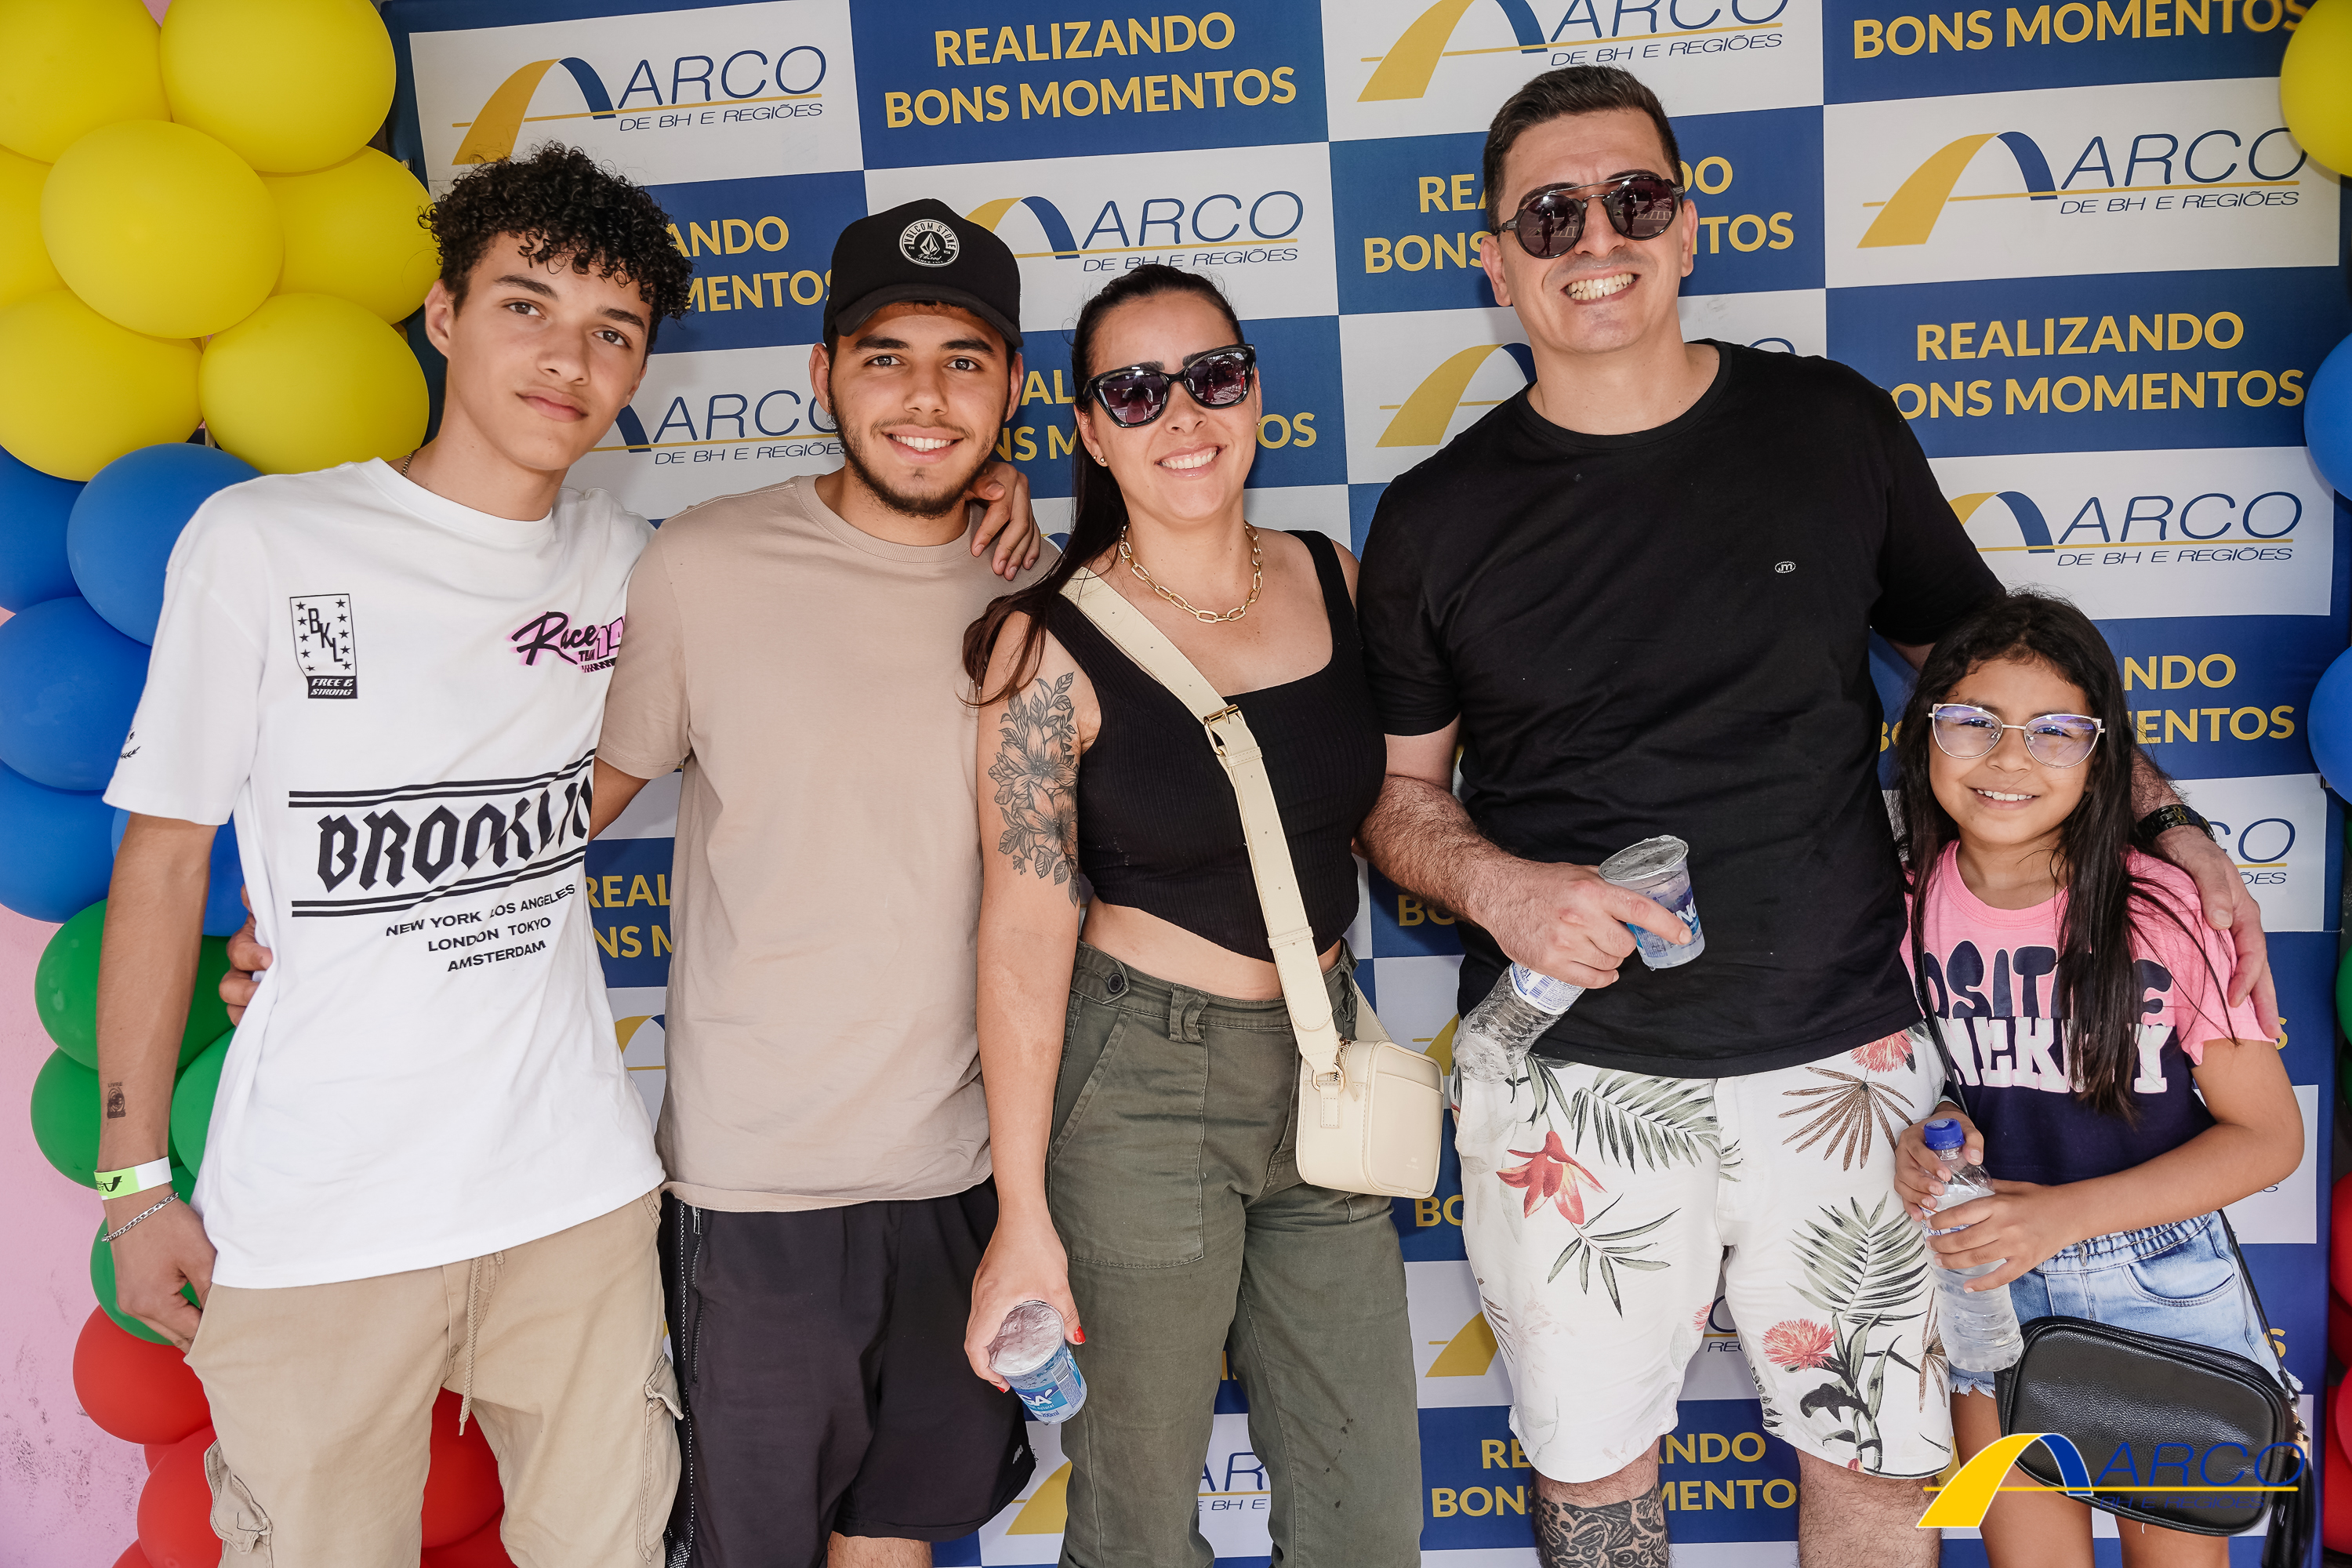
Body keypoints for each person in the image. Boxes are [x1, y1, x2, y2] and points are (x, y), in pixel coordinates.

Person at [1352, 66, 2274, 1568]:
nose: (1599, 237)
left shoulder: (1829, 426)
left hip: (1850, 1063)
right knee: (1592, 1476)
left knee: (1879, 1468)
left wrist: (2169, 823)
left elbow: (2003, 676)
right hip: (1576, 1081)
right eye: (1552, 214)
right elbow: (1397, 800)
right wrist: (1507, 890)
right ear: (1496, 261)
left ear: (1687, 224)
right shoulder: (1433, 517)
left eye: (1634, 198)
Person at [195, 180, 1039, 1566]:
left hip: (974, 1176)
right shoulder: (695, 564)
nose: (925, 396)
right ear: (822, 372)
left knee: (900, 1536)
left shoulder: (1044, 591)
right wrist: (327, 939)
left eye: (965, 361)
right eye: (886, 356)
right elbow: (555, 807)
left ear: (1011, 389)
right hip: (753, 1190)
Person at [94, 146, 690, 1568]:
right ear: (442, 314)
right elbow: (162, 867)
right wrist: (133, 1185)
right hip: (320, 1213)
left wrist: (989, 507)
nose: (569, 360)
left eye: (613, 332)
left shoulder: (634, 561)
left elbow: (824, 581)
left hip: (573, 1199)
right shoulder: (267, 541)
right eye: (527, 307)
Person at [960, 263, 1421, 1568]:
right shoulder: (1043, 648)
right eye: (1135, 391)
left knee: (1367, 1514)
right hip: (1140, 1088)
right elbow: (1022, 935)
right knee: (1140, 1522)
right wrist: (1022, 1212)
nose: (1183, 415)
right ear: (1091, 432)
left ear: (1254, 394)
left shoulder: (1331, 576)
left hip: (1325, 1062)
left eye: (1213, 376)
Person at [1888, 593, 2299, 1568]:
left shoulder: (2164, 908)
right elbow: (1910, 1080)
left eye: (2054, 731)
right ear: (1925, 732)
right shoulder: (1898, 902)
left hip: (2161, 1284)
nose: (2009, 758)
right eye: (1974, 721)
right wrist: (1923, 1129)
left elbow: (2269, 1136)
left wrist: (2065, 1217)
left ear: (2102, 755)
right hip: (1989, 1286)